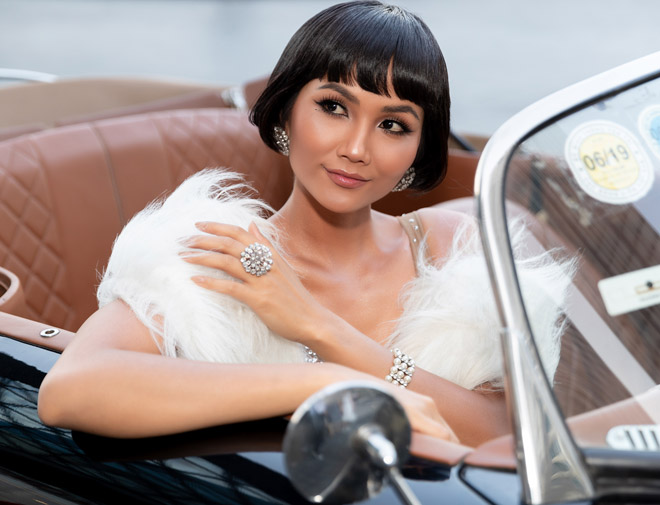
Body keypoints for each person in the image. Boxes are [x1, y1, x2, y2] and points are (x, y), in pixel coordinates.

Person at [37, 1, 569, 448]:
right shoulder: (217, 251)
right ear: (286, 112)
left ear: (416, 151)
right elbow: (71, 390)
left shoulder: (451, 254)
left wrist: (318, 327)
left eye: (392, 125)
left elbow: (509, 437)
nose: (356, 149)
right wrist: (320, 383)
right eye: (333, 107)